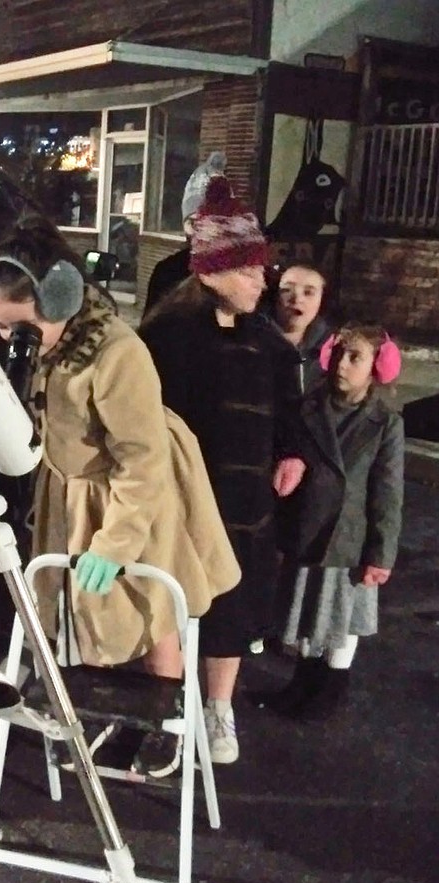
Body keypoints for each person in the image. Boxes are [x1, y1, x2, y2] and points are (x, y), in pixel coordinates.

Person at [0, 215, 241, 778]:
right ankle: (126, 710)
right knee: (94, 614)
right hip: (72, 490)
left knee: (152, 609)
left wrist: (117, 543)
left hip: (129, 493)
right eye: (1, 329)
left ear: (60, 298)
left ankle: (165, 725)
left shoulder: (118, 353)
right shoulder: (43, 344)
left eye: (19, 328)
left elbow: (140, 459)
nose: (11, 342)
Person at [139, 176, 305, 764]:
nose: (265, 281)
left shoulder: (269, 342)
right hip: (180, 503)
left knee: (232, 613)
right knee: (171, 604)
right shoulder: (166, 339)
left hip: (246, 508)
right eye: (251, 270)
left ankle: (218, 710)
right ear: (213, 272)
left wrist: (293, 453)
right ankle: (167, 714)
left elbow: (291, 412)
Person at [254, 324, 405, 717]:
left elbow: (388, 494)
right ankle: (303, 684)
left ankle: (331, 689)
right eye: (338, 353)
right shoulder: (308, 407)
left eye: (355, 357)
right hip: (308, 530)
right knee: (307, 611)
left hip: (349, 540)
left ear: (377, 366)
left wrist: (381, 553)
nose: (343, 364)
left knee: (342, 617)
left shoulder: (384, 422)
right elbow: (288, 447)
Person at [141, 151, 227, 319]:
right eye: (193, 223)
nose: (201, 232)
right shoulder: (168, 272)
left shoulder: (243, 276)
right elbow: (148, 335)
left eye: (210, 221)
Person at [266, 261, 332, 394]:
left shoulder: (332, 349)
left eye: (308, 292)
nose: (297, 299)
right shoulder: (250, 340)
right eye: (287, 290)